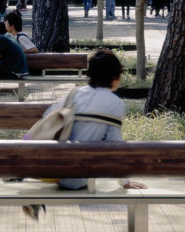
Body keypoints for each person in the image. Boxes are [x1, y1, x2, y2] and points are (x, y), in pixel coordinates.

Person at [22, 50, 146, 219]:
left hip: (51, 166)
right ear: (114, 76)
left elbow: (49, 119)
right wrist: (124, 181)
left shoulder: (74, 93)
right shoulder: (115, 104)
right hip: (80, 177)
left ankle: (38, 197)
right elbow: (115, 147)